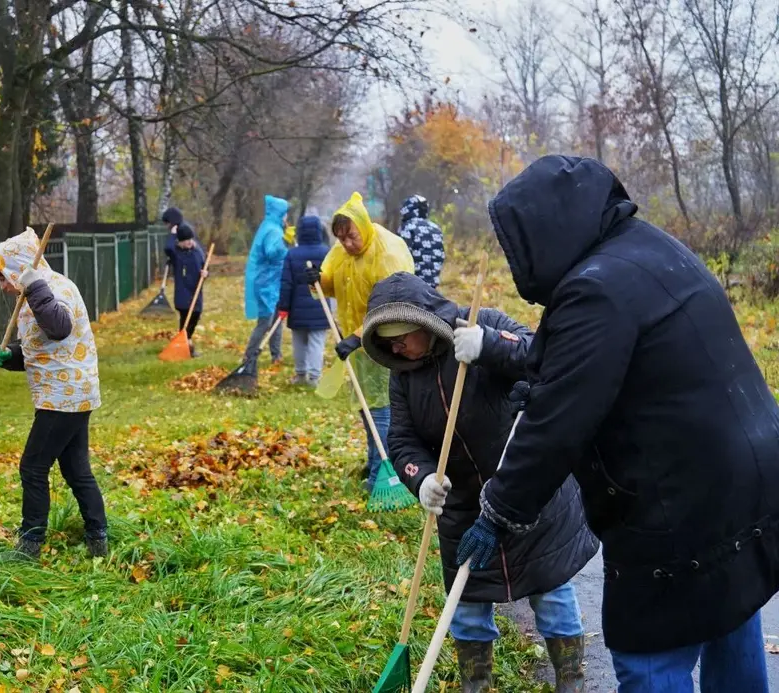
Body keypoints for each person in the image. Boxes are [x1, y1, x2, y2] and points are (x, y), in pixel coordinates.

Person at [455, 155, 779, 692]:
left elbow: (556, 425)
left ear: (542, 234)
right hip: (745, 476)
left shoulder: (595, 289)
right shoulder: (649, 248)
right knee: (729, 612)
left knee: (649, 655)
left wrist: (497, 512)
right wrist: (538, 371)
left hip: (681, 503)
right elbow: (602, 359)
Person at [362, 271, 597, 691]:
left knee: (550, 592)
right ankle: (476, 685)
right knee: (467, 610)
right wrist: (421, 479)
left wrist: (489, 346)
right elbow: (401, 441)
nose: (394, 348)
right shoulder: (404, 376)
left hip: (525, 490)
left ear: (424, 323)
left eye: (399, 338)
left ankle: (571, 682)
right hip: (463, 509)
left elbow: (543, 356)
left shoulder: (482, 322)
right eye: (387, 342)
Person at [0, 227, 108, 560]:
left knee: (32, 467)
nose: (2, 286)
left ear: (18, 269)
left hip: (64, 397)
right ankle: (98, 537)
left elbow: (59, 328)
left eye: (2, 278)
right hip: (68, 393)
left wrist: (35, 286)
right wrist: (9, 355)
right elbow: (41, 351)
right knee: (75, 469)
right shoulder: (32, 298)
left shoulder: (53, 288)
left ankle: (29, 544)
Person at [304, 192, 414, 491]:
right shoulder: (342, 252)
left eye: (351, 236)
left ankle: (384, 473)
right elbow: (332, 281)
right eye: (341, 239)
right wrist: (318, 279)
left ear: (363, 226)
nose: (347, 244)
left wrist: (356, 337)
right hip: (358, 341)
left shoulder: (387, 254)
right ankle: (374, 460)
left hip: (389, 340)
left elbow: (392, 306)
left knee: (381, 407)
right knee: (367, 406)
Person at [277, 215, 330, 385]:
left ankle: (300, 374)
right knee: (316, 342)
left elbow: (286, 283)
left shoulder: (292, 254)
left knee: (299, 341)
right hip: (320, 307)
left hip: (297, 308)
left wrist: (283, 307)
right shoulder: (326, 253)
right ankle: (314, 376)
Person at [242, 195, 290, 373]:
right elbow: (271, 253)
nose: (287, 217)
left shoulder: (271, 226)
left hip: (272, 282)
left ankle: (276, 355)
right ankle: (249, 356)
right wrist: (285, 243)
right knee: (265, 321)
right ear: (280, 213)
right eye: (285, 213)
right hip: (266, 283)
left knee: (277, 318)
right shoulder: (273, 231)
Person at [168, 223, 208, 357]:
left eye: (191, 239)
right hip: (183, 293)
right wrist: (173, 234)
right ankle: (186, 346)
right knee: (186, 318)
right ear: (180, 241)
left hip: (196, 292)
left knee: (196, 314)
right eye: (186, 240)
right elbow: (168, 248)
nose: (189, 242)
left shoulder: (197, 252)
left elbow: (205, 266)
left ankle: (185, 343)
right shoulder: (176, 253)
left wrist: (205, 273)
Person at [396, 194, 445, 288]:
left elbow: (401, 256)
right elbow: (441, 255)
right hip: (432, 284)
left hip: (412, 284)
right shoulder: (436, 228)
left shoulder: (406, 228)